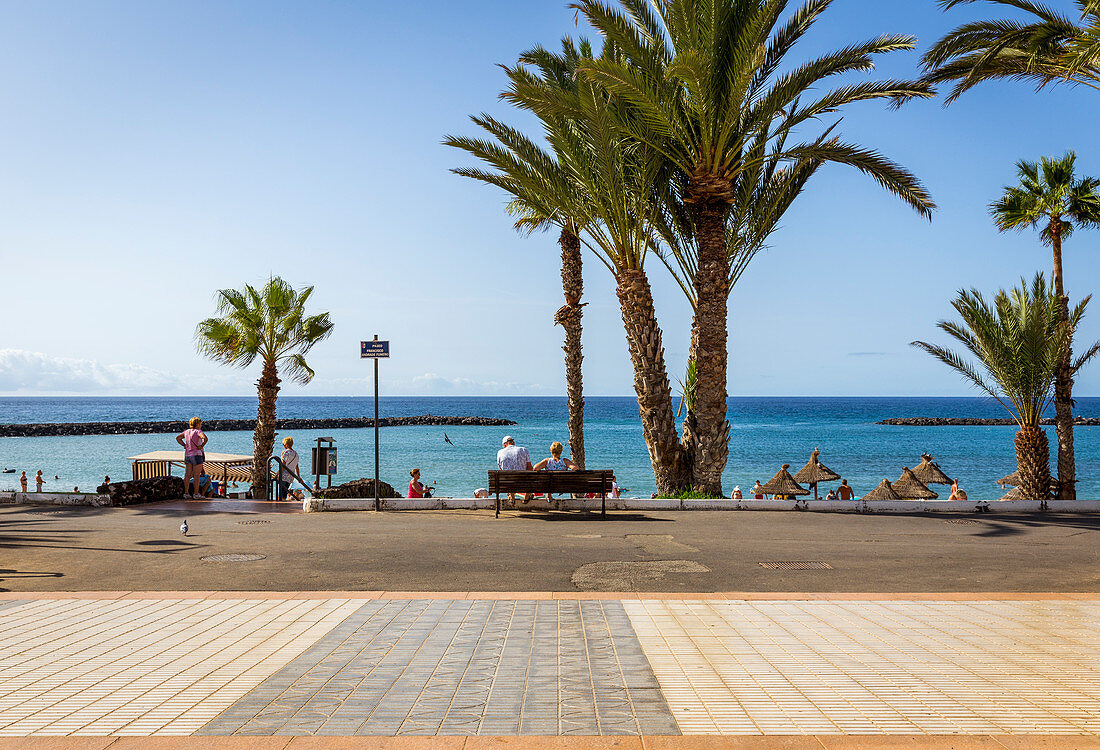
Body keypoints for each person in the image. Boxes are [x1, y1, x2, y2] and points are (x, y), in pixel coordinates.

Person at [175, 417, 208, 499]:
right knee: (197, 476)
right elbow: (205, 438)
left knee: (187, 475)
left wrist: (184, 445)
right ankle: (196, 493)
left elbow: (178, 438)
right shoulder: (198, 432)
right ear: (197, 424)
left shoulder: (186, 432)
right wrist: (201, 446)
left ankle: (186, 493)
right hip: (196, 455)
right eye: (200, 424)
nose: (201, 425)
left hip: (187, 455)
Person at [496, 435, 533, 504]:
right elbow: (530, 467)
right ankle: (527, 496)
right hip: (523, 484)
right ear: (513, 443)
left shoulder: (500, 452)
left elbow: (501, 470)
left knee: (507, 475)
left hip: (508, 484)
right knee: (530, 474)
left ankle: (512, 496)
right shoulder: (523, 450)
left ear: (505, 444)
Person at [277, 436, 299, 501]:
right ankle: (283, 505)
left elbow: (283, 465)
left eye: (283, 444)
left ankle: (279, 506)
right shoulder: (296, 453)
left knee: (280, 493)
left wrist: (279, 474)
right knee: (285, 493)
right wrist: (298, 476)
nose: (283, 446)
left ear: (286, 445)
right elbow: (296, 466)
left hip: (284, 475)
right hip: (291, 475)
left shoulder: (285, 452)